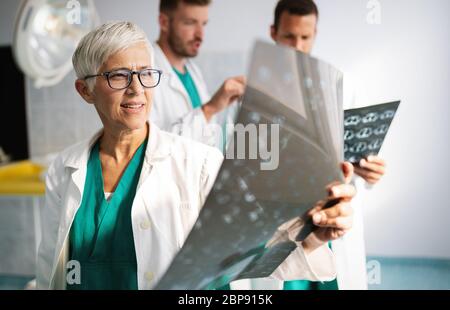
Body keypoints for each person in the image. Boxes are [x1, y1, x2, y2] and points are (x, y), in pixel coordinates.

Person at [36, 21, 356, 290]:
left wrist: (315, 236)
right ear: (85, 90)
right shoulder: (65, 169)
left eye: (146, 73)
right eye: (118, 76)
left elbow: (252, 254)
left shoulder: (200, 164)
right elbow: (51, 264)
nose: (137, 89)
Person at [269, 0, 387, 290]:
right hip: (282, 225)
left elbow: (362, 154)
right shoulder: (250, 92)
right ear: (273, 33)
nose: (297, 46)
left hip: (331, 220)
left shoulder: (342, 85)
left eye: (305, 37)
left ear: (315, 34)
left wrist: (370, 172)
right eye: (288, 36)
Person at [151, 0, 246, 151]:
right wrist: (209, 108)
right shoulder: (145, 74)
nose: (200, 35)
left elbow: (206, 135)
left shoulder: (193, 71)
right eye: (190, 23)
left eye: (204, 24)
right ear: (164, 22)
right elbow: (152, 148)